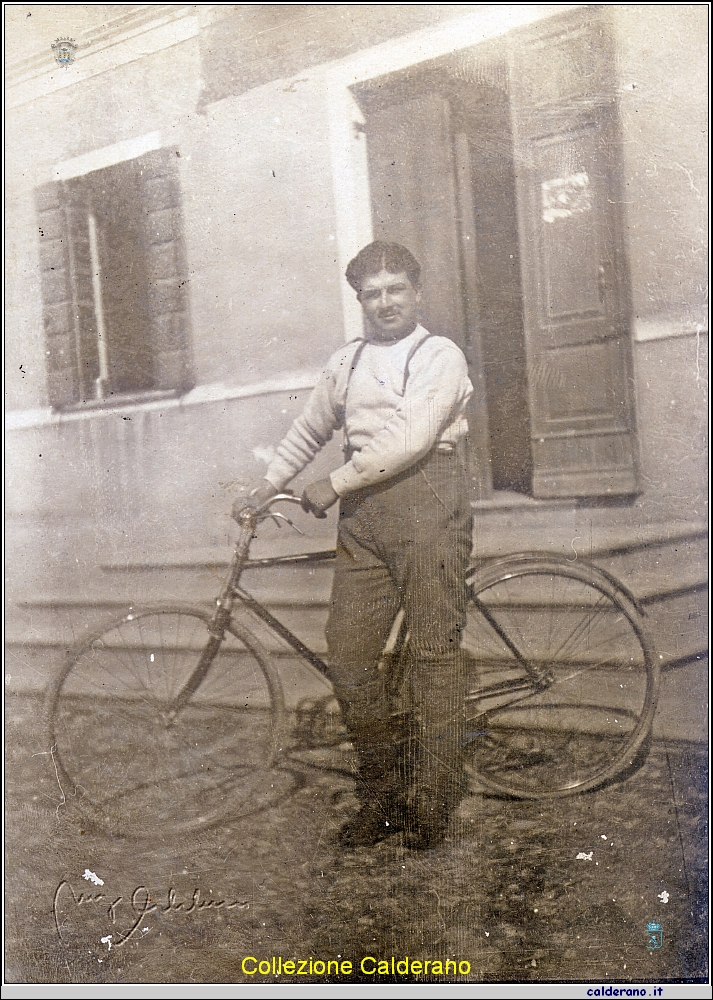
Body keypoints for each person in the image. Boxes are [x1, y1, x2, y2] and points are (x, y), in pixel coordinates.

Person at [235, 241, 473, 850]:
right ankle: (383, 793)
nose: (386, 301)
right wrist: (267, 487)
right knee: (347, 654)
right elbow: (310, 427)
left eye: (396, 289)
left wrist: (335, 482)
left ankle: (434, 800)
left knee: (432, 656)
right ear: (360, 300)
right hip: (365, 516)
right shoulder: (347, 363)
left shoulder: (439, 355)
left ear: (416, 293)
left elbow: (410, 437)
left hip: (428, 501)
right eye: (373, 292)